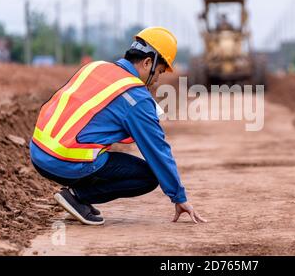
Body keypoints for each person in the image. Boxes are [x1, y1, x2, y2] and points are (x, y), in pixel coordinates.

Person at [29, 27, 206, 226]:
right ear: (148, 63)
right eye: (160, 71)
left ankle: (78, 195)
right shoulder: (135, 96)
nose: (157, 79)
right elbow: (158, 151)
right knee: (149, 176)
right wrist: (179, 197)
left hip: (38, 153)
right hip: (66, 162)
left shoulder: (95, 67)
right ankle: (77, 197)